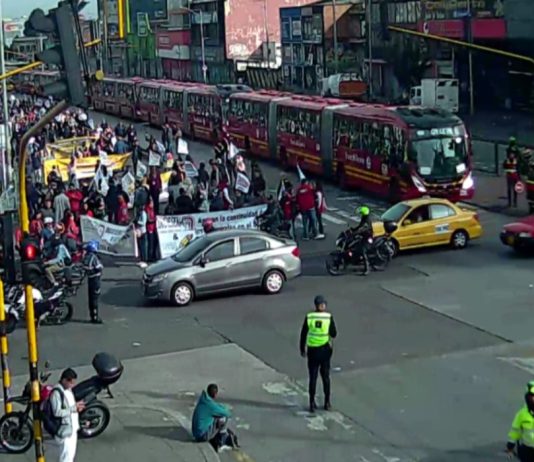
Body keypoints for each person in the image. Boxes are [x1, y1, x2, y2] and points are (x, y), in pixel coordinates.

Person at [299, 295, 337, 413]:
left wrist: (302, 349)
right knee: (325, 377)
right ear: (323, 305)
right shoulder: (328, 317)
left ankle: (311, 403)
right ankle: (327, 402)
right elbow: (334, 333)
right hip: (325, 350)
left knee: (313, 377)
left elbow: (303, 334)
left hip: (312, 351)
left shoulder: (309, 317)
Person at [48, 368, 85, 462]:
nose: (72, 385)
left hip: (72, 430)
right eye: (71, 383)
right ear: (64, 380)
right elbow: (57, 412)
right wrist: (73, 408)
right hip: (65, 432)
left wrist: (77, 409)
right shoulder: (56, 393)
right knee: (66, 458)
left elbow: (70, 408)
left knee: (70, 457)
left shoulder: (68, 390)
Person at [192, 383, 238, 452]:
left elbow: (215, 406)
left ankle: (218, 434)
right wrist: (225, 409)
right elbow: (227, 413)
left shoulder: (204, 400)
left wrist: (221, 407)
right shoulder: (211, 406)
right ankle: (222, 439)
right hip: (202, 436)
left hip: (196, 433)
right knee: (223, 417)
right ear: (215, 394)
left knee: (216, 416)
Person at [507, 381, 534, 461]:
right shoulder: (521, 414)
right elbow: (515, 430)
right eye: (532, 396)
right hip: (527, 450)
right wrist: (511, 444)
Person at [82, 240, 103, 324]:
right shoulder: (93, 257)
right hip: (95, 279)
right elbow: (98, 267)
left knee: (91, 298)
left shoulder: (86, 257)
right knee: (95, 298)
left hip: (90, 279)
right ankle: (95, 317)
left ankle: (92, 315)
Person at [351, 206, 373, 276]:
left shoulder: (367, 221)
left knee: (363, 251)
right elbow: (360, 226)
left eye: (361, 213)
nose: (361, 214)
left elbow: (362, 229)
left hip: (368, 238)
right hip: (363, 236)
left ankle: (367, 268)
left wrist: (355, 233)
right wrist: (353, 229)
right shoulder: (364, 218)